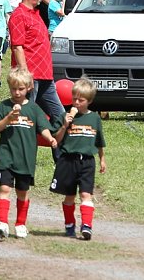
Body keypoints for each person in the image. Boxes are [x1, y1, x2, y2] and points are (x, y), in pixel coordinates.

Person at [0, 68, 57, 240]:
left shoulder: (34, 109)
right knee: (5, 188)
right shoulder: (3, 106)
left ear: (29, 88)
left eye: (21, 89)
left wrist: (50, 139)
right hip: (7, 156)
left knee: (22, 192)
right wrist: (8, 119)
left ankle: (20, 224)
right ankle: (2, 223)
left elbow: (43, 128)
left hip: (26, 158)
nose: (17, 92)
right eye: (13, 89)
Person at [8, 0, 66, 158]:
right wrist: (25, 76)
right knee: (25, 119)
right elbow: (17, 47)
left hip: (45, 76)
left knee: (61, 117)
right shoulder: (19, 15)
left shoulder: (35, 13)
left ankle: (62, 162)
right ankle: (19, 159)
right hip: (31, 77)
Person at [50, 78, 107, 240]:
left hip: (87, 161)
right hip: (68, 160)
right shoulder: (65, 116)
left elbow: (99, 141)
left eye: (81, 100)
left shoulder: (94, 118)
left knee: (85, 194)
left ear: (89, 101)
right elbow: (57, 140)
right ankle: (69, 224)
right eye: (74, 99)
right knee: (69, 196)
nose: (76, 103)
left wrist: (102, 159)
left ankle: (87, 225)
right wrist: (64, 125)